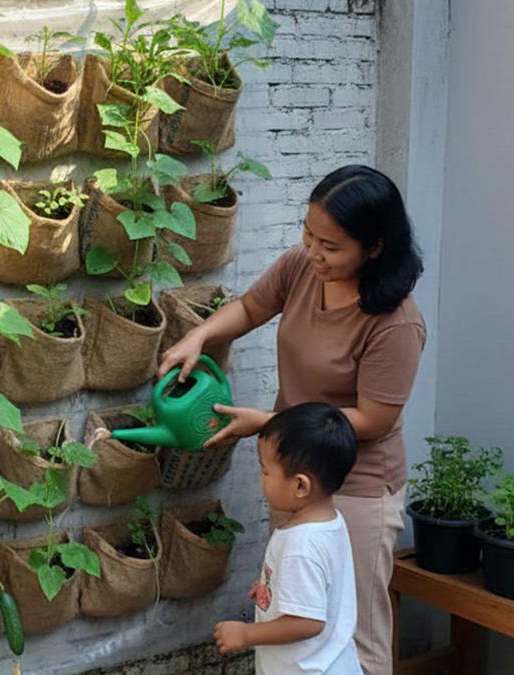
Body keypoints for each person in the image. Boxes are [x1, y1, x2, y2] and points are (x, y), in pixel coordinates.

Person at [159, 165, 425, 675]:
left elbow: (373, 419)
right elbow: (252, 307)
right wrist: (199, 336)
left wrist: (271, 421)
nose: (314, 252)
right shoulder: (302, 268)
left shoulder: (396, 322)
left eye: (331, 245)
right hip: (295, 465)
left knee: (356, 633)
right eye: (309, 234)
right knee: (294, 613)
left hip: (358, 486)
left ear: (375, 247)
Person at [214, 402, 361, 674]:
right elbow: (321, 587)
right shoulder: (330, 522)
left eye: (266, 470)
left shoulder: (301, 546)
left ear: (300, 485)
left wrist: (246, 634)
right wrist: (275, 585)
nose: (261, 478)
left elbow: (307, 622)